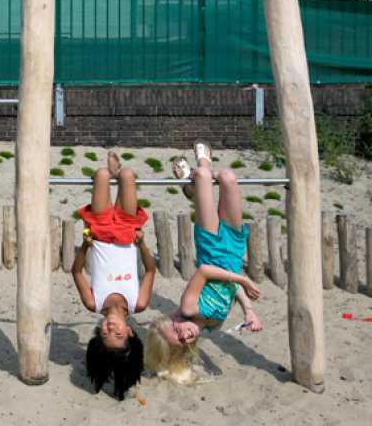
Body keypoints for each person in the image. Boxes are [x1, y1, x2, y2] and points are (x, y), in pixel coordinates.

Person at [144, 142, 263, 384]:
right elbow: (228, 286)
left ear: (173, 319)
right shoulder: (214, 324)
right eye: (185, 341)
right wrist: (249, 311)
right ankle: (193, 186)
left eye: (177, 331)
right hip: (234, 248)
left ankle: (196, 180)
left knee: (204, 174)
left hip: (211, 247)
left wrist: (242, 277)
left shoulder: (189, 308)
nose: (186, 335)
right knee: (228, 177)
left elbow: (205, 271)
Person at [71, 152, 154, 400]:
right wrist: (142, 245)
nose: (110, 328)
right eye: (117, 334)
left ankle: (111, 173)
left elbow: (75, 271)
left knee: (101, 175)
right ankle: (119, 173)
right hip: (128, 233)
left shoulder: (92, 302)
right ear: (130, 332)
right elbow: (150, 270)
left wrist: (85, 245)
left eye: (106, 334)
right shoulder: (138, 303)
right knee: (127, 175)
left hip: (99, 233)